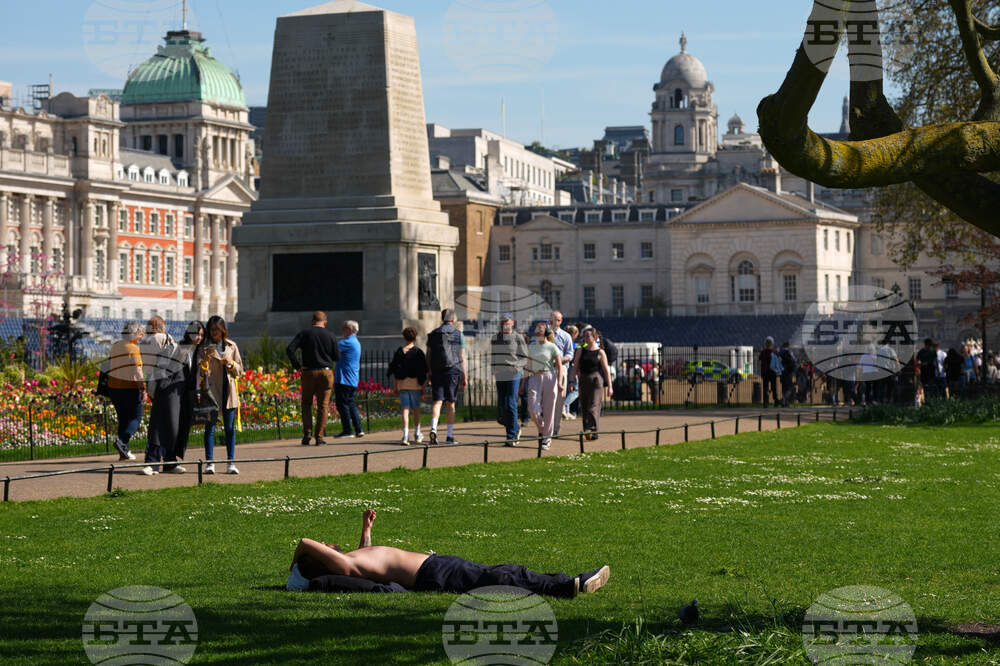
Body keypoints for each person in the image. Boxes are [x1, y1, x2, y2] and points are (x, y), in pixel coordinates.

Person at [285, 509, 610, 597]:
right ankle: (567, 585)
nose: (327, 543)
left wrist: (366, 529)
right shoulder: (345, 567)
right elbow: (304, 541)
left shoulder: (352, 562)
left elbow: (369, 557)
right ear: (322, 560)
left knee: (499, 572)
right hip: (432, 573)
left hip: (435, 566)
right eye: (325, 548)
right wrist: (295, 568)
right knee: (500, 575)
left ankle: (564, 582)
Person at [287, 311, 340, 446]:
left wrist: (297, 366)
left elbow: (290, 349)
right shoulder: (331, 335)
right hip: (325, 372)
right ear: (325, 322)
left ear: (312, 321)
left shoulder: (304, 333)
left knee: (306, 403)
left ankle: (307, 434)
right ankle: (319, 437)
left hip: (308, 372)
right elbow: (337, 357)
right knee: (323, 406)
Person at [199, 315, 243, 474]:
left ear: (223, 330)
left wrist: (230, 364)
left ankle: (230, 462)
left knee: (229, 429)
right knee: (210, 428)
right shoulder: (204, 348)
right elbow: (199, 372)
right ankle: (209, 463)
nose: (214, 332)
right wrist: (205, 360)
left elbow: (240, 370)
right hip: (211, 392)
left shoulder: (232, 346)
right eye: (211, 330)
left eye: (217, 329)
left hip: (228, 391)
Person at [141, 316, 179, 476]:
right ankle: (166, 460)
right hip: (166, 382)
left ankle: (156, 461)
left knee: (158, 422)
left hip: (153, 382)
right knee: (165, 423)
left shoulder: (145, 341)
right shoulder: (166, 338)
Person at [166, 321, 204, 473]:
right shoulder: (180, 347)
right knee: (174, 426)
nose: (199, 338)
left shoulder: (199, 350)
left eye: (201, 335)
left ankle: (172, 459)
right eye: (196, 334)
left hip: (189, 392)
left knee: (184, 426)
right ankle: (170, 460)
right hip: (176, 392)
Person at [426, 309, 466, 445]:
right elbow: (461, 357)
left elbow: (428, 355)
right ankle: (449, 436)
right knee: (450, 403)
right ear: (453, 319)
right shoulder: (458, 334)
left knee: (437, 401)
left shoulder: (433, 334)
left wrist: (429, 372)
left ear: (442, 318)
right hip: (453, 371)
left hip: (437, 371)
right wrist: (464, 375)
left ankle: (433, 428)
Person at [106, 321, 144, 463]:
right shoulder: (133, 348)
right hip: (129, 388)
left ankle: (124, 452)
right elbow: (138, 371)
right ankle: (122, 442)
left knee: (123, 419)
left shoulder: (116, 345)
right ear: (134, 333)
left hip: (114, 387)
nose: (142, 337)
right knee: (136, 418)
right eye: (140, 334)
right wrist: (142, 388)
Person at [491, 314, 528, 446]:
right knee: (503, 404)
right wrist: (493, 368)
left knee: (510, 403)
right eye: (503, 322)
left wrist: (516, 366)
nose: (505, 324)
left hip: (513, 374)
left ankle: (511, 436)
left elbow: (524, 357)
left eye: (507, 322)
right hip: (500, 374)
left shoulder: (518, 337)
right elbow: (493, 355)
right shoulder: (496, 337)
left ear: (512, 322)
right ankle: (515, 429)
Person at [526, 322, 563, 449]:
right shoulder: (531, 346)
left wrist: (560, 382)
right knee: (532, 408)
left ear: (546, 332)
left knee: (549, 410)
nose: (538, 330)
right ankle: (542, 429)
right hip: (535, 377)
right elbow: (528, 365)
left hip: (549, 377)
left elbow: (559, 366)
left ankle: (546, 439)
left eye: (541, 328)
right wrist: (522, 382)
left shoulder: (552, 347)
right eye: (537, 328)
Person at [387, 327, 427, 445]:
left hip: (402, 384)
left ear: (404, 338)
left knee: (405, 409)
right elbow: (423, 372)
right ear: (415, 338)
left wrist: (395, 386)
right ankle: (417, 433)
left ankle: (405, 435)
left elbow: (394, 370)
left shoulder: (399, 352)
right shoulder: (418, 352)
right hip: (415, 385)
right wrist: (423, 388)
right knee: (416, 410)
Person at [573, 327, 613, 440]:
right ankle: (589, 431)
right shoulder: (580, 350)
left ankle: (592, 429)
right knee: (585, 406)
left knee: (594, 405)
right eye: (584, 336)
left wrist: (610, 386)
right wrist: (571, 381)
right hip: (583, 379)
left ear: (594, 337)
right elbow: (575, 367)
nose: (585, 338)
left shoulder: (601, 352)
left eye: (588, 336)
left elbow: (606, 370)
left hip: (596, 380)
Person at [334, 320, 364, 438]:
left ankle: (347, 430)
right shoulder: (356, 342)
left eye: (344, 328)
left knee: (342, 404)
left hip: (344, 379)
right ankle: (358, 429)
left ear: (350, 330)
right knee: (350, 404)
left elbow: (332, 349)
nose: (342, 330)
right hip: (352, 379)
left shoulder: (347, 342)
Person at [549, 311, 574, 435]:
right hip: (546, 369)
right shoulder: (543, 334)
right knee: (546, 400)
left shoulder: (566, 336)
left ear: (561, 321)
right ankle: (547, 427)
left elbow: (570, 354)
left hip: (561, 369)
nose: (556, 322)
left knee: (559, 400)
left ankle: (555, 429)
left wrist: (560, 361)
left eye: (558, 320)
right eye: (554, 319)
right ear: (550, 320)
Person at [563, 324, 580, 419]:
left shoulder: (565, 340)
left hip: (566, 367)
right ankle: (564, 405)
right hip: (571, 367)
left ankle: (566, 411)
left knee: (567, 390)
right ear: (574, 334)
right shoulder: (571, 343)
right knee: (576, 390)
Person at [758, 337, 780, 407]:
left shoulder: (763, 352)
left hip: (765, 372)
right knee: (774, 388)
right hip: (772, 372)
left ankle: (766, 402)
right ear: (772, 344)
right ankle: (775, 401)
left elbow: (760, 361)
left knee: (765, 388)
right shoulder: (774, 352)